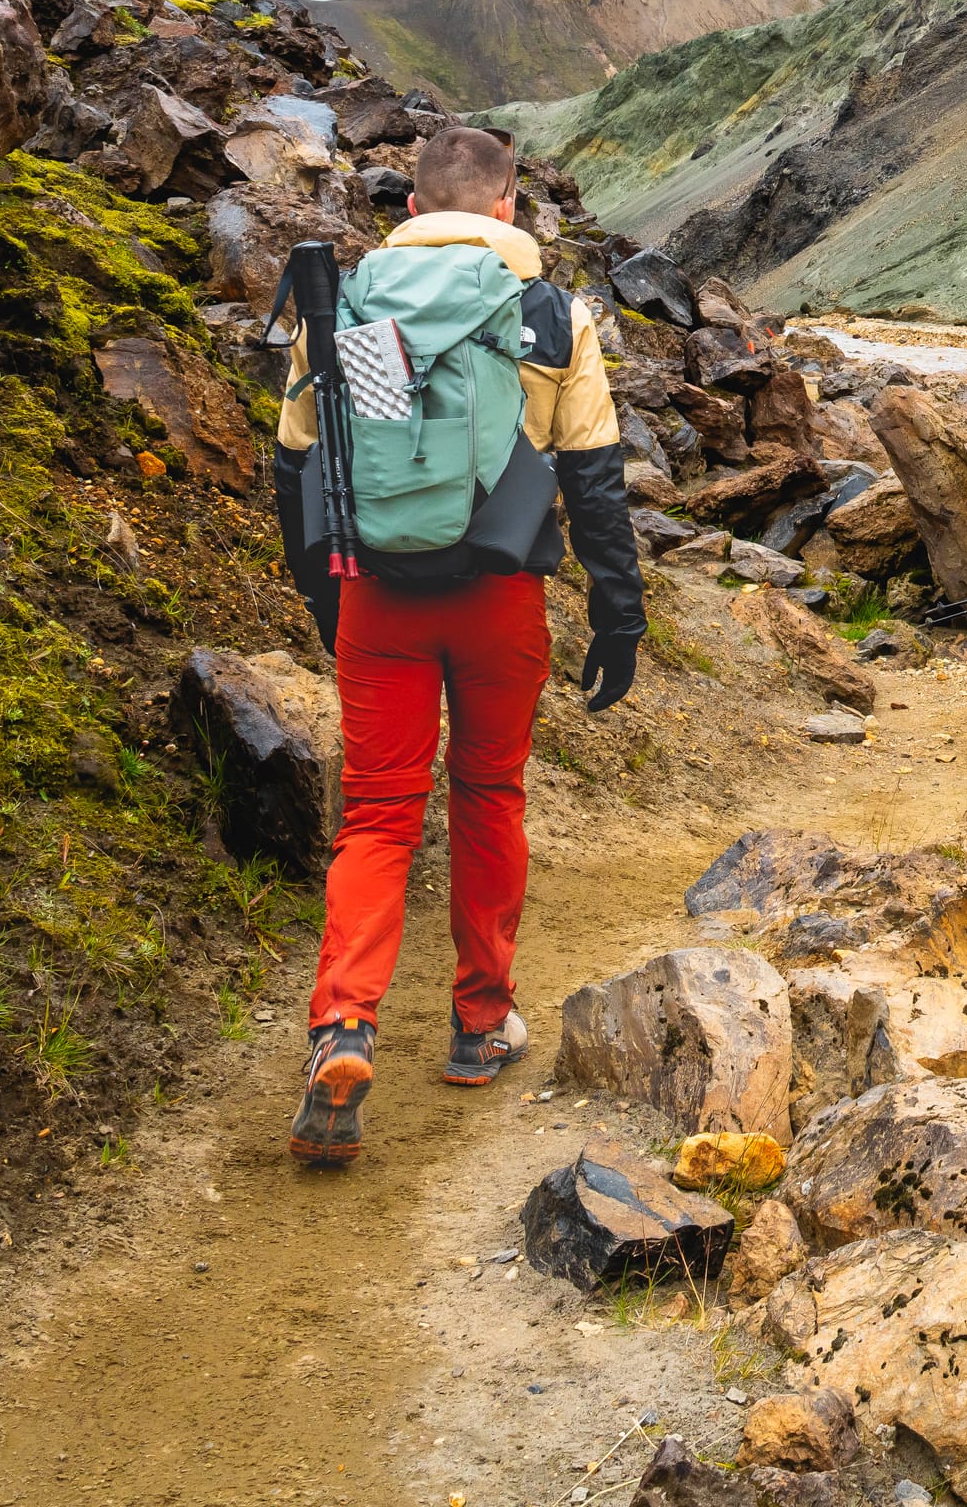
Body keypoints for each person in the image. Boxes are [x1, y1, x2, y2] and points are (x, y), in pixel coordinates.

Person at [268, 125, 642, 1167]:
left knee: (378, 819)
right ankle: (481, 1025)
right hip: (500, 595)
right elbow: (596, 482)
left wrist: (324, 602)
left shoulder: (342, 305)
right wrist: (621, 612)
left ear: (409, 208)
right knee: (491, 796)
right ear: (508, 204)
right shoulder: (552, 312)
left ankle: (344, 1025)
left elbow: (296, 472)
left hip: (376, 593)